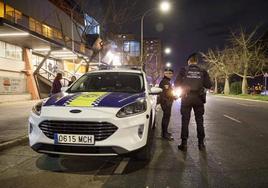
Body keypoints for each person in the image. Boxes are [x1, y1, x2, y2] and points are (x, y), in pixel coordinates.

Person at [175, 53, 212, 151]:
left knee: (185, 121)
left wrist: (184, 85)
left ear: (189, 61)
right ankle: (201, 144)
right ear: (196, 61)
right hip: (199, 98)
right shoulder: (203, 70)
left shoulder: (184, 70)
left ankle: (184, 144)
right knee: (199, 121)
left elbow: (176, 83)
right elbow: (208, 85)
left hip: (186, 98)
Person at [159, 68, 176, 141]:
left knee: (167, 117)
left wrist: (174, 97)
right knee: (166, 118)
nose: (169, 74)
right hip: (166, 102)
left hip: (168, 102)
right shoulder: (164, 82)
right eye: (167, 73)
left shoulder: (167, 81)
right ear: (164, 73)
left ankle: (165, 132)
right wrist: (167, 101)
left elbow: (169, 93)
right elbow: (164, 94)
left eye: (170, 73)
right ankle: (164, 134)